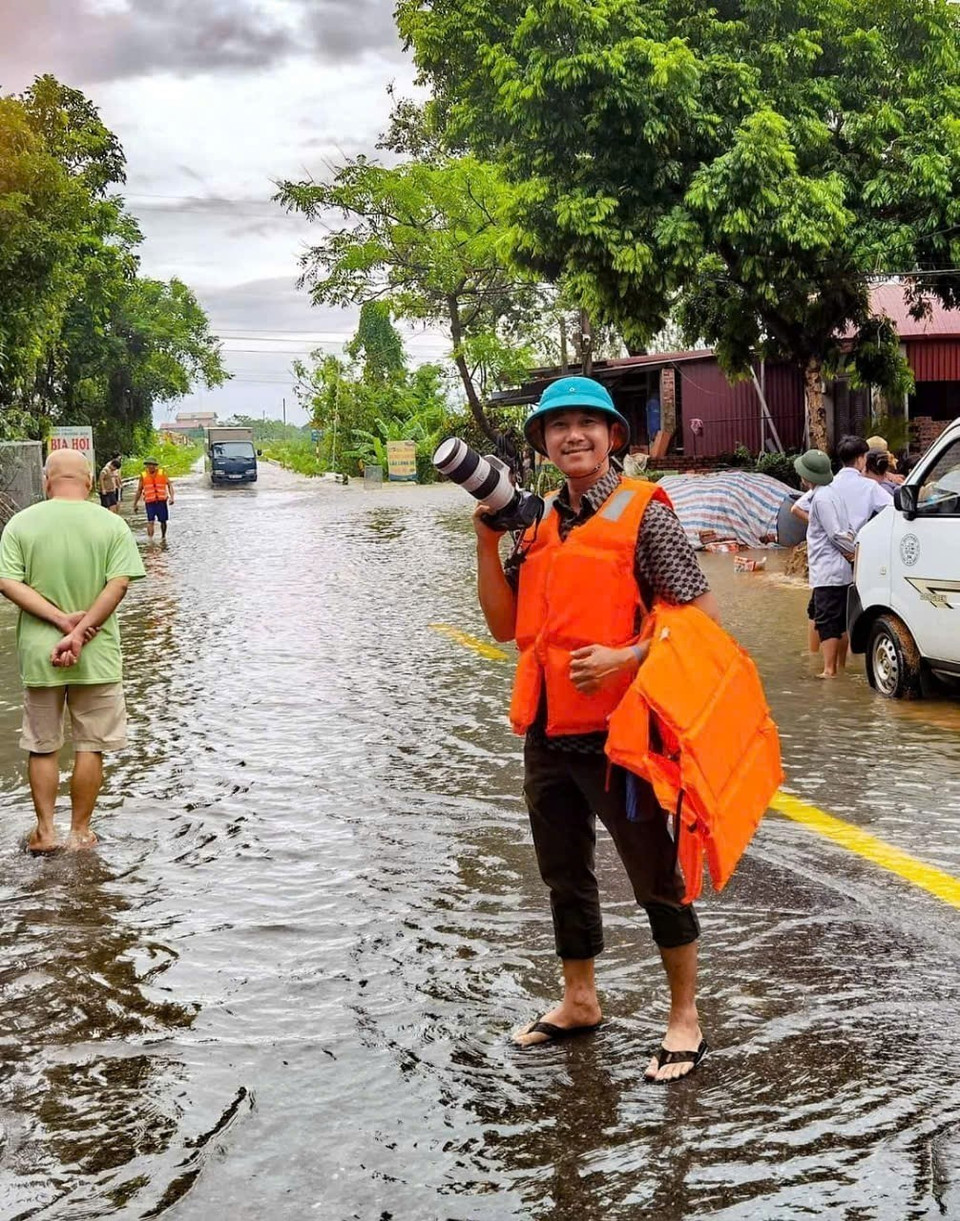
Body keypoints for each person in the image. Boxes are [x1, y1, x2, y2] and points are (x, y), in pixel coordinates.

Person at [474, 375, 721, 1083]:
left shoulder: (645, 514)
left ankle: (685, 1017)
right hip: (548, 733)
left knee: (654, 874)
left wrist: (628, 656)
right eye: (558, 426)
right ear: (543, 444)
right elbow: (503, 626)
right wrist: (484, 544)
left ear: (614, 435)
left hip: (624, 736)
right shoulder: (534, 526)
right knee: (563, 872)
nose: (573, 435)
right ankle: (579, 999)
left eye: (587, 422)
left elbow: (700, 621)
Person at [0, 449, 146, 851]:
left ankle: (45, 831)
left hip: (40, 654)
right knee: (91, 745)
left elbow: (8, 582)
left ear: (46, 481)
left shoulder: (20, 524)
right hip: (97, 654)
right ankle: (80, 832)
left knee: (42, 745)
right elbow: (119, 584)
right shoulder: (111, 525)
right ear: (89, 481)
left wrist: (62, 623)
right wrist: (80, 633)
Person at [798, 437, 892, 678]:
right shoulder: (856, 489)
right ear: (861, 459)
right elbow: (892, 510)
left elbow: (835, 534)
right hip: (846, 564)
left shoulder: (823, 495)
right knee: (840, 618)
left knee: (826, 618)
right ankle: (838, 666)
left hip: (829, 566)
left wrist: (853, 553)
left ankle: (828, 670)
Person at [132, 457, 175, 540]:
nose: (151, 466)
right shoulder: (143, 475)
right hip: (150, 502)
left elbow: (169, 485)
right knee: (150, 521)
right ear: (146, 466)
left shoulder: (162, 473)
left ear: (155, 466)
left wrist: (172, 497)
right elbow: (139, 490)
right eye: (149, 465)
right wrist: (135, 504)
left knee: (163, 521)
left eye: (153, 465)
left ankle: (163, 537)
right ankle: (150, 540)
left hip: (161, 502)